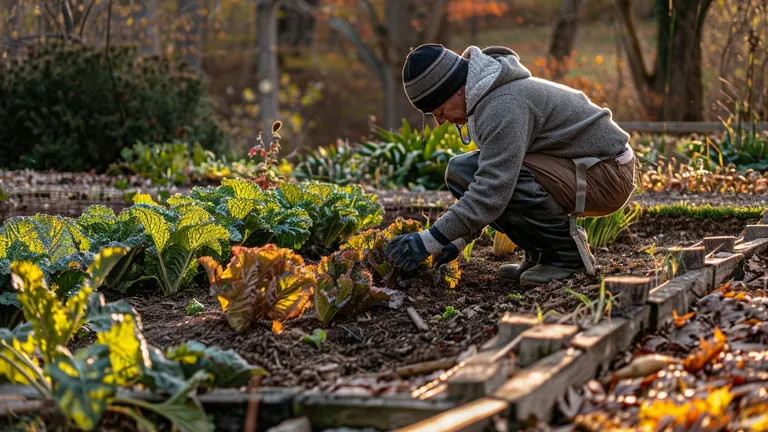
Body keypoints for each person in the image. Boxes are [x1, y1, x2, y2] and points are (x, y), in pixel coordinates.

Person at [385, 44, 636, 286]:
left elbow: (493, 190)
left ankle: (566, 257)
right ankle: (542, 255)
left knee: (489, 176)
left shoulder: (502, 105)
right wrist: (458, 239)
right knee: (462, 172)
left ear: (455, 90)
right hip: (584, 167)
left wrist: (430, 240)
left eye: (439, 111)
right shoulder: (487, 97)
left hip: (608, 173)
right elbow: (491, 182)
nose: (441, 121)